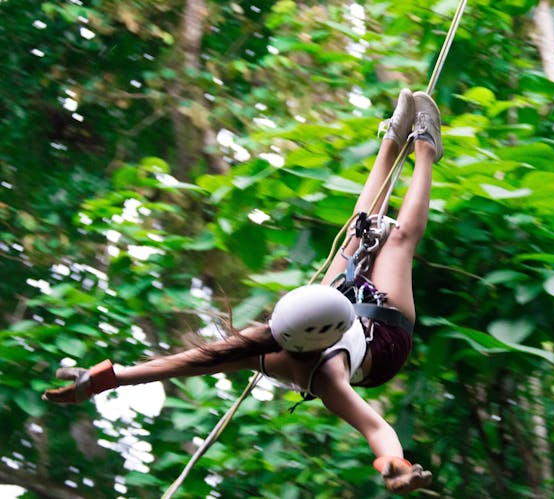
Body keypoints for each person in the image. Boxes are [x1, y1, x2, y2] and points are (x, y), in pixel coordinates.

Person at [43, 88, 442, 495]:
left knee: (357, 235)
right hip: (383, 343)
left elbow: (189, 362)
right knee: (399, 240)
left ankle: (391, 142)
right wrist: (394, 466)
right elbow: (376, 428)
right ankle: (426, 150)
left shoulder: (268, 337)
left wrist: (106, 379)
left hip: (334, 311)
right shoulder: (327, 380)